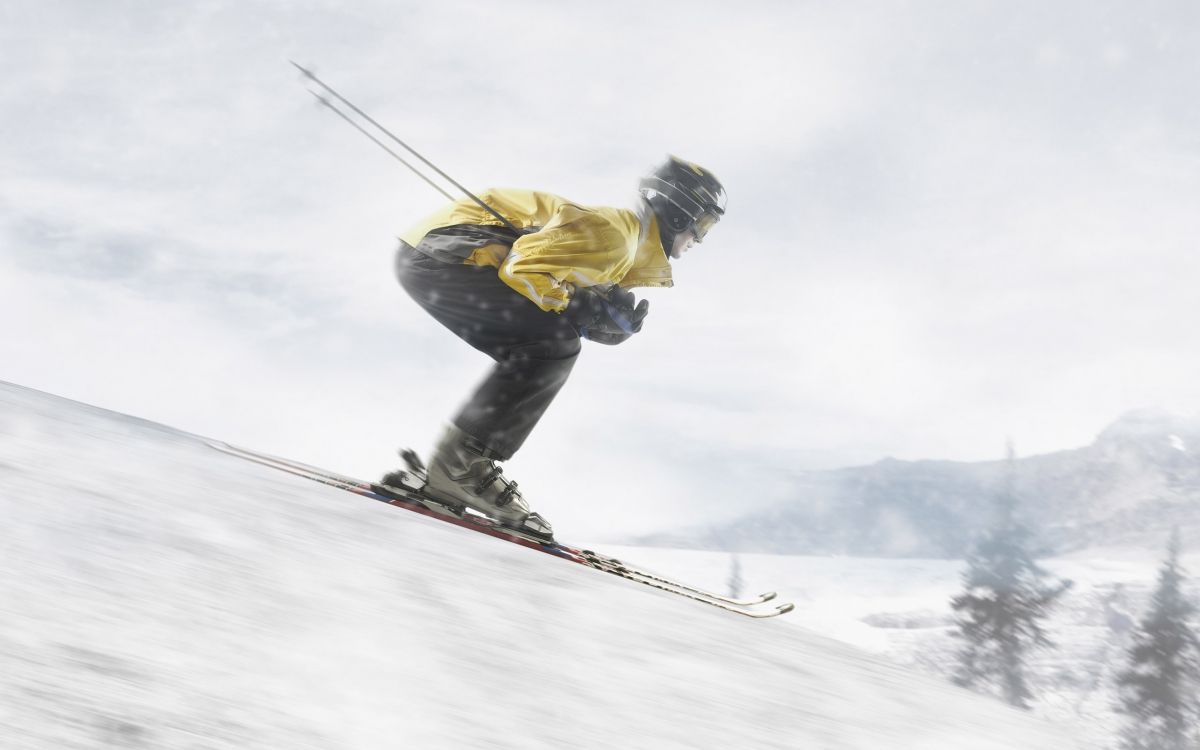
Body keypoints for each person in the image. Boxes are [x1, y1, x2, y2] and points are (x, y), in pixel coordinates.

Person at [385, 155, 726, 542]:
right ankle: (459, 468)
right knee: (548, 346)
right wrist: (589, 309)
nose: (699, 238)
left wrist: (594, 316)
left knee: (547, 342)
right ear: (678, 213)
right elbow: (522, 270)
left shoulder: (623, 244)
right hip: (442, 256)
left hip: (436, 256)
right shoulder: (615, 235)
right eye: (703, 225)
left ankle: (453, 468)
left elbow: (549, 287)